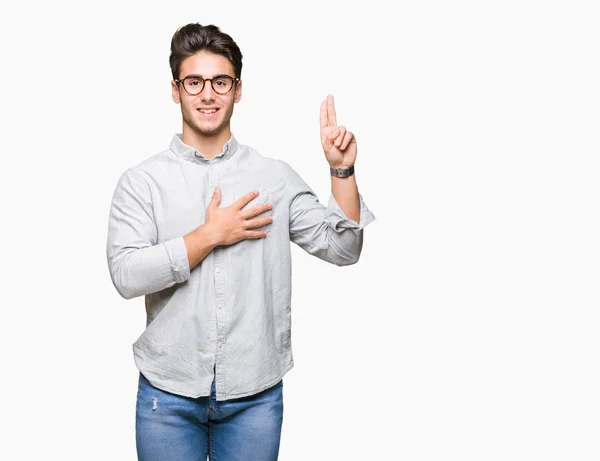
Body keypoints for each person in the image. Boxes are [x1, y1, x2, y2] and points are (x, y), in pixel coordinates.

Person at [106, 23, 376, 461]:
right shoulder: (142, 182)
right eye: (194, 82)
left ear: (238, 89)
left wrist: (341, 172)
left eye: (220, 81)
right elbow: (126, 275)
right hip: (167, 394)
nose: (208, 94)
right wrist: (209, 236)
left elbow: (343, 249)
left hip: (254, 396)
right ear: (176, 90)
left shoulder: (273, 177)